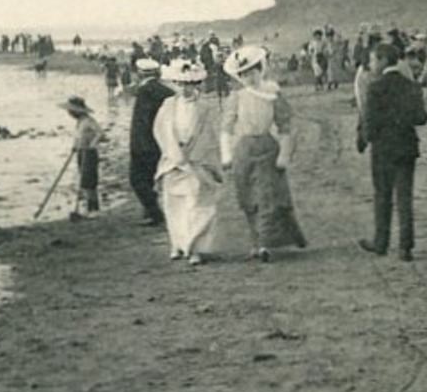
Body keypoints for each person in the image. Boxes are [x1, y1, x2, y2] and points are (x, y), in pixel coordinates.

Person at [220, 45, 306, 262]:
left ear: (261, 69)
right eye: (243, 74)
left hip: (267, 147)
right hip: (244, 150)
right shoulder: (236, 97)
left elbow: (285, 125)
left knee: (268, 197)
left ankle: (266, 244)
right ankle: (256, 241)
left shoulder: (272, 94)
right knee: (248, 198)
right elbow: (226, 127)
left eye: (252, 71)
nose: (249, 77)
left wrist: (284, 154)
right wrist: (226, 154)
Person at [357, 43, 427, 261]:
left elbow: (369, 123)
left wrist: (367, 139)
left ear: (382, 60)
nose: (370, 64)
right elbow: (422, 118)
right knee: (404, 198)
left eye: (372, 60)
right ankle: (405, 247)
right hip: (407, 147)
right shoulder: (412, 86)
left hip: (383, 149)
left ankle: (381, 243)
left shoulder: (375, 88)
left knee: (383, 196)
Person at [153, 60, 221, 266]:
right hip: (173, 159)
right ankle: (178, 244)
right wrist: (174, 152)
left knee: (197, 204)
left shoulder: (206, 107)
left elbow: (212, 133)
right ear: (174, 84)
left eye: (189, 84)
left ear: (197, 84)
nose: (184, 88)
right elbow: (160, 131)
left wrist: (195, 154)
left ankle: (196, 248)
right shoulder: (167, 106)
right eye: (180, 84)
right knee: (174, 204)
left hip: (197, 160)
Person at [127, 59, 174, 226]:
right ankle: (152, 211)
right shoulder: (167, 92)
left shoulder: (144, 92)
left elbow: (142, 122)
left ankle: (154, 212)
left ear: (140, 74)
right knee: (155, 178)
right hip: (163, 142)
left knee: (137, 180)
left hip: (143, 144)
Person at [63, 95, 103, 220]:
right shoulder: (79, 122)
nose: (69, 113)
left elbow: (100, 132)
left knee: (89, 181)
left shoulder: (88, 120)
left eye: (71, 111)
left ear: (77, 110)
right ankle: (89, 208)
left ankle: (94, 209)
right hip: (81, 152)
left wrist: (92, 144)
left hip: (89, 153)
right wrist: (75, 146)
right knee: (84, 180)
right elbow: (79, 137)